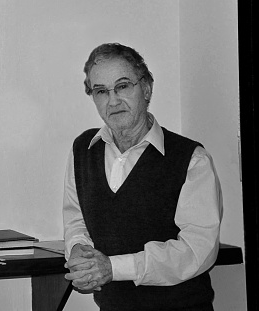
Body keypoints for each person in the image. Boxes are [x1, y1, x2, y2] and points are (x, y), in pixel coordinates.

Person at [62, 43, 223, 311]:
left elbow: (198, 251)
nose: (112, 101)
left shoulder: (191, 159)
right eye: (101, 91)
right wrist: (79, 251)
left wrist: (114, 268)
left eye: (123, 86)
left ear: (146, 88)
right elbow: (76, 220)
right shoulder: (83, 151)